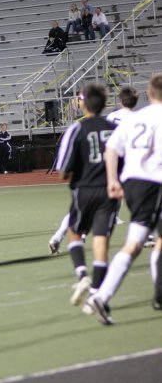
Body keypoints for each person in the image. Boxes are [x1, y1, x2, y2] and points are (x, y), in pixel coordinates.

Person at [84, 73, 162, 323]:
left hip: (133, 183)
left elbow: (112, 148)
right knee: (143, 243)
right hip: (156, 183)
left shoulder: (136, 118)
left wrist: (112, 181)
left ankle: (101, 296)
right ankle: (158, 293)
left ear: (149, 95)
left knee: (137, 242)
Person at [49, 85, 140, 254]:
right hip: (119, 163)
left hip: (94, 163)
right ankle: (145, 232)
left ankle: (61, 236)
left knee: (80, 208)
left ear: (120, 100)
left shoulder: (111, 117)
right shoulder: (137, 118)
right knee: (134, 198)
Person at [55, 84, 118, 310]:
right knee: (101, 243)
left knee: (74, 232)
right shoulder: (114, 128)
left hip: (84, 190)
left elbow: (62, 171)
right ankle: (93, 297)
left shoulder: (77, 129)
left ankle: (82, 274)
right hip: (109, 191)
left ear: (85, 104)